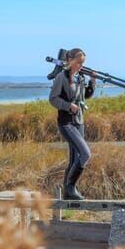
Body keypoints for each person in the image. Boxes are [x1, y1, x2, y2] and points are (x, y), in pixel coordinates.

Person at [49, 48, 96, 200]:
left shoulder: (80, 78)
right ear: (70, 61)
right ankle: (71, 187)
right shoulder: (61, 77)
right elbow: (53, 99)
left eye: (83, 63)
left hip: (79, 121)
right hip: (66, 122)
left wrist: (93, 82)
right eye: (78, 62)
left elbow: (85, 96)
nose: (81, 66)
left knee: (75, 157)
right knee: (85, 153)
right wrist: (68, 106)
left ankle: (68, 194)